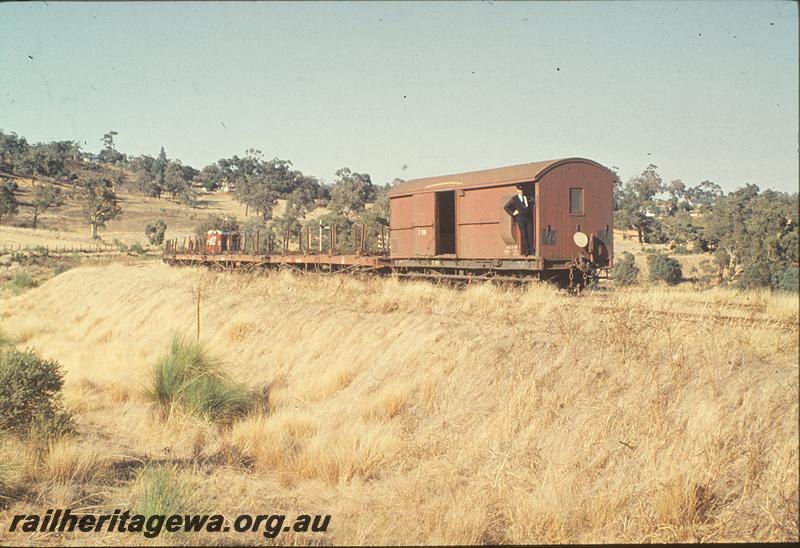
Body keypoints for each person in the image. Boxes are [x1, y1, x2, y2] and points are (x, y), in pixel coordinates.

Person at [503, 185, 534, 256]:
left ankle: (532, 250)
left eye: (522, 190)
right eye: (520, 190)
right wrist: (513, 213)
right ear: (517, 190)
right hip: (520, 218)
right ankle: (527, 250)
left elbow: (532, 202)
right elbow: (506, 207)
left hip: (528, 217)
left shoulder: (527, 197)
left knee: (530, 233)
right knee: (524, 233)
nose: (521, 191)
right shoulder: (514, 199)